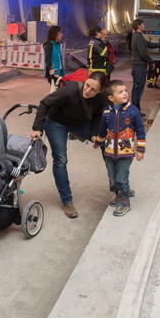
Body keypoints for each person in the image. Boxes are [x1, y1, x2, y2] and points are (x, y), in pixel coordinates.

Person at [29, 71, 109, 218]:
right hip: (56, 123)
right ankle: (67, 201)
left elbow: (98, 115)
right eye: (87, 85)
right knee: (61, 159)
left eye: (93, 90)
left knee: (106, 143)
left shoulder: (102, 99)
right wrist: (37, 128)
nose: (88, 91)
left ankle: (119, 185)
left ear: (101, 91)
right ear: (85, 81)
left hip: (78, 123)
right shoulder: (70, 90)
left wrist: (93, 133)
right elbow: (45, 103)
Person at [94, 80, 145, 217]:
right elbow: (102, 130)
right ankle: (120, 194)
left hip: (126, 153)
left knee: (121, 178)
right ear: (111, 98)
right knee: (113, 178)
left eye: (125, 91)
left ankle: (125, 203)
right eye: (120, 92)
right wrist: (98, 142)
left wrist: (140, 150)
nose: (125, 93)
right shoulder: (106, 112)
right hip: (109, 152)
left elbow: (140, 131)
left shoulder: (133, 111)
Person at [130, 19, 160, 115]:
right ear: (138, 26)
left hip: (138, 67)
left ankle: (134, 110)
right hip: (139, 67)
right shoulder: (137, 37)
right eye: (142, 24)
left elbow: (149, 44)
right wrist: (151, 61)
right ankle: (135, 111)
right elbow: (142, 53)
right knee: (138, 90)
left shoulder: (138, 36)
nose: (144, 26)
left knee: (137, 89)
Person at [42, 26, 65, 91]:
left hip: (60, 71)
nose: (62, 34)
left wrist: (62, 71)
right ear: (55, 34)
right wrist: (50, 72)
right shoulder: (48, 45)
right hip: (53, 72)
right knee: (55, 91)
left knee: (59, 90)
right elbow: (47, 60)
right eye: (60, 33)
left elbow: (60, 59)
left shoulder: (58, 44)